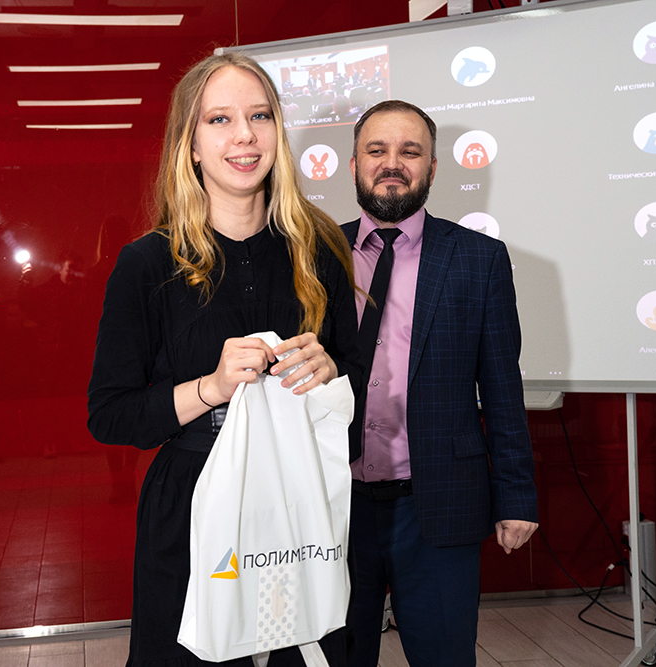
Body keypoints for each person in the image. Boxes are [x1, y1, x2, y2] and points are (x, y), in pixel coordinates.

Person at [87, 52, 363, 667]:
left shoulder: (319, 248)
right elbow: (110, 415)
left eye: (260, 116)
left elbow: (359, 395)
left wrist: (332, 375)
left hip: (298, 498)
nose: (245, 135)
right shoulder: (147, 264)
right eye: (219, 120)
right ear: (189, 146)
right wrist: (210, 387)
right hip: (191, 506)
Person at [341, 100, 539, 666]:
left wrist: (516, 495)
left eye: (410, 152)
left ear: (431, 168)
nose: (392, 163)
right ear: (354, 164)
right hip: (334, 507)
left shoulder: (478, 258)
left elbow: (501, 386)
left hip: (439, 504)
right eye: (377, 150)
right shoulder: (314, 252)